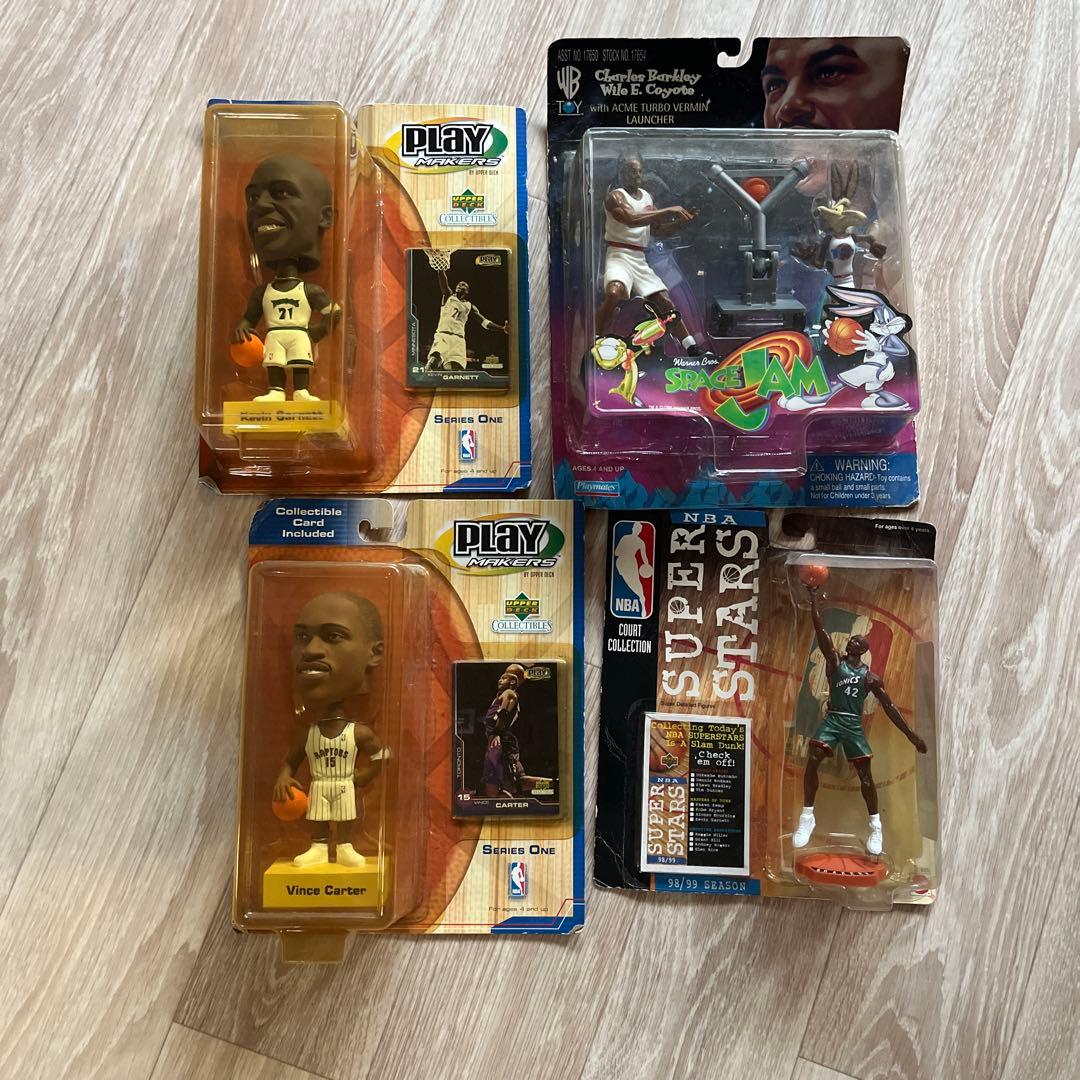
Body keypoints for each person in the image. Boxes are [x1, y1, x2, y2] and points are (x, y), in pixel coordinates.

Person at [793, 582, 926, 856]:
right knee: (813, 760)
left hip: (852, 723)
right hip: (833, 720)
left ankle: (876, 826)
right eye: (850, 640)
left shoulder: (870, 678)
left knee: (866, 776)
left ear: (862, 649)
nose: (850, 642)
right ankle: (807, 816)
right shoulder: (835, 663)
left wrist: (911, 735)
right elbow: (821, 631)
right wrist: (814, 599)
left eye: (855, 641)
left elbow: (890, 707)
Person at [273, 591, 388, 867]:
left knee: (346, 818)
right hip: (320, 783)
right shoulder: (309, 733)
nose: (311, 650)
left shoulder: (357, 732)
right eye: (302, 637)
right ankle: (319, 848)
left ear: (374, 653)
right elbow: (290, 761)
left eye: (333, 636)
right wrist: (283, 778)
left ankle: (345, 847)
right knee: (319, 819)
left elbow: (383, 755)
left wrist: (368, 773)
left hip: (344, 783)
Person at [232, 155, 340, 403]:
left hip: (299, 334)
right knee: (275, 365)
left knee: (300, 364)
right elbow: (249, 318)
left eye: (281, 193)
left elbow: (334, 312)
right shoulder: (263, 293)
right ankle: (276, 392)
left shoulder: (310, 291)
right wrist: (243, 327)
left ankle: (301, 392)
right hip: (275, 337)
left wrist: (320, 331)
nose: (260, 205)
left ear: (325, 217)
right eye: (252, 198)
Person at [598, 154, 700, 354]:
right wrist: (669, 210)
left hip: (639, 257)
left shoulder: (646, 197)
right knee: (614, 292)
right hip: (618, 254)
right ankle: (598, 340)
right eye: (631, 171)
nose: (636, 175)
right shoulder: (615, 197)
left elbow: (658, 230)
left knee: (664, 301)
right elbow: (631, 219)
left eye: (638, 171)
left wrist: (682, 222)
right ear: (621, 173)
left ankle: (690, 346)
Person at [425, 274, 507, 371]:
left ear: (467, 291)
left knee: (456, 371)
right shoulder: (448, 296)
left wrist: (502, 328)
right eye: (459, 284)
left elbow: (484, 322)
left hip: (459, 340)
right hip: (443, 335)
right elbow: (443, 282)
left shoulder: (470, 306)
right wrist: (440, 269)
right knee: (434, 360)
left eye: (463, 285)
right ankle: (426, 376)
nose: (460, 285)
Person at [480, 664, 527, 796]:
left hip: (501, 741)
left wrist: (496, 733)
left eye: (504, 677)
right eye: (500, 677)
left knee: (511, 783)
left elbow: (504, 713)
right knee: (499, 787)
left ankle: (554, 784)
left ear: (513, 681)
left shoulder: (509, 693)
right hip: (495, 741)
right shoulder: (500, 696)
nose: (500, 680)